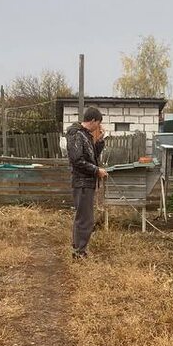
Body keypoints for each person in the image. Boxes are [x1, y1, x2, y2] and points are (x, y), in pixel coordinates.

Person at [65, 105, 108, 258]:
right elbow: (77, 160)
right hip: (82, 183)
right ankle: (79, 253)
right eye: (98, 123)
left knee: (83, 218)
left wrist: (100, 141)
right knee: (86, 220)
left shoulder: (85, 135)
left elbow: (92, 156)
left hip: (86, 183)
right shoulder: (76, 134)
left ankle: (78, 249)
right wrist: (97, 170)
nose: (99, 126)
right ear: (93, 120)